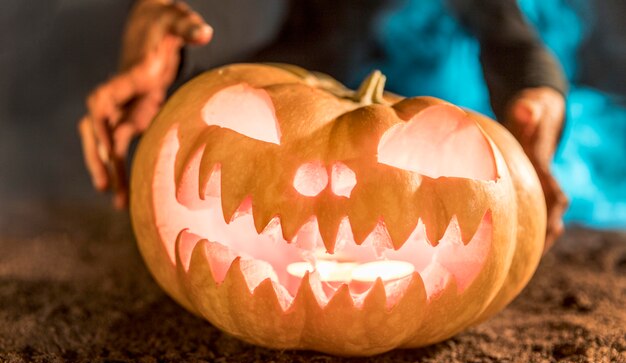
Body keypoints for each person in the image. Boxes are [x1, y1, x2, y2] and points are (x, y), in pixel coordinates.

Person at [78, 0, 568, 250]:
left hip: (421, 107)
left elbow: (513, 42)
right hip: (303, 79)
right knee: (193, 124)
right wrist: (153, 19)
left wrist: (539, 98)